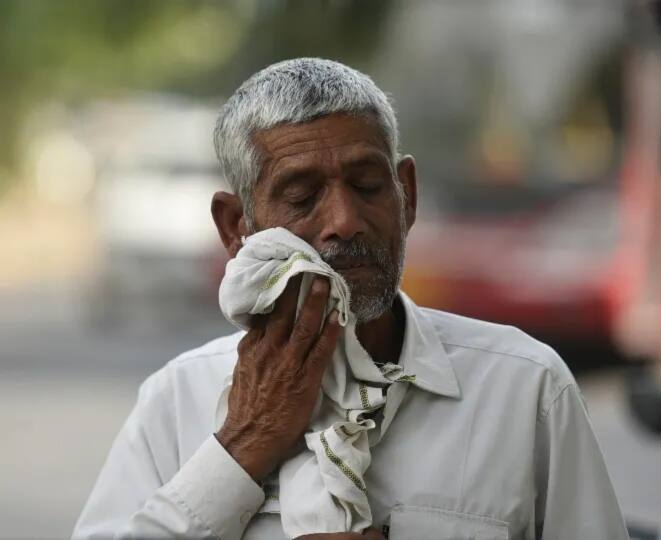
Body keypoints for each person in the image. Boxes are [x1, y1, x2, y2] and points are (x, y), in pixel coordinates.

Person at [73, 58, 628, 540]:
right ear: (237, 227)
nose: (343, 221)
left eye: (367, 186)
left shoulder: (524, 387)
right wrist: (243, 447)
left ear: (406, 196)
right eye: (302, 195)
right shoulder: (178, 400)